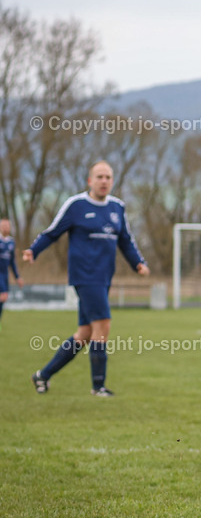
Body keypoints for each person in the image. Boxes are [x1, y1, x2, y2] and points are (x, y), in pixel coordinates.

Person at [24, 161, 149, 396]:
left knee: (84, 334)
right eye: (99, 176)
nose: (104, 181)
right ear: (89, 180)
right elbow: (53, 232)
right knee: (103, 326)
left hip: (104, 278)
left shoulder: (117, 207)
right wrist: (34, 250)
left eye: (108, 177)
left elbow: (126, 240)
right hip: (85, 276)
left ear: (112, 181)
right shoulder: (76, 205)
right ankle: (98, 387)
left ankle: (42, 375)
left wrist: (138, 263)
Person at [0, 218, 24, 328]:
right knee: (3, 296)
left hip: (5, 275)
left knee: (4, 297)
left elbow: (12, 262)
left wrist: (17, 277)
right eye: (3, 226)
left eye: (7, 226)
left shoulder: (11, 242)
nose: (5, 228)